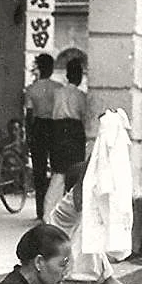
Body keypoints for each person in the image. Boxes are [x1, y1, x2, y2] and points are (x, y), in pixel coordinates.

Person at [45, 59, 89, 216]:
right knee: (74, 172)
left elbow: (51, 113)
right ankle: (70, 213)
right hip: (74, 132)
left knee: (58, 173)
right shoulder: (81, 96)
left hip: (57, 131)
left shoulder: (57, 93)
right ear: (79, 77)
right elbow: (85, 117)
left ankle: (48, 213)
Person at [25, 53, 62, 221]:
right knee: (56, 168)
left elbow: (29, 114)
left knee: (38, 170)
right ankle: (54, 208)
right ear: (52, 69)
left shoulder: (32, 89)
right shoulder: (59, 88)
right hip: (55, 127)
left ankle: (40, 211)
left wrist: (29, 135)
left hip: (38, 127)